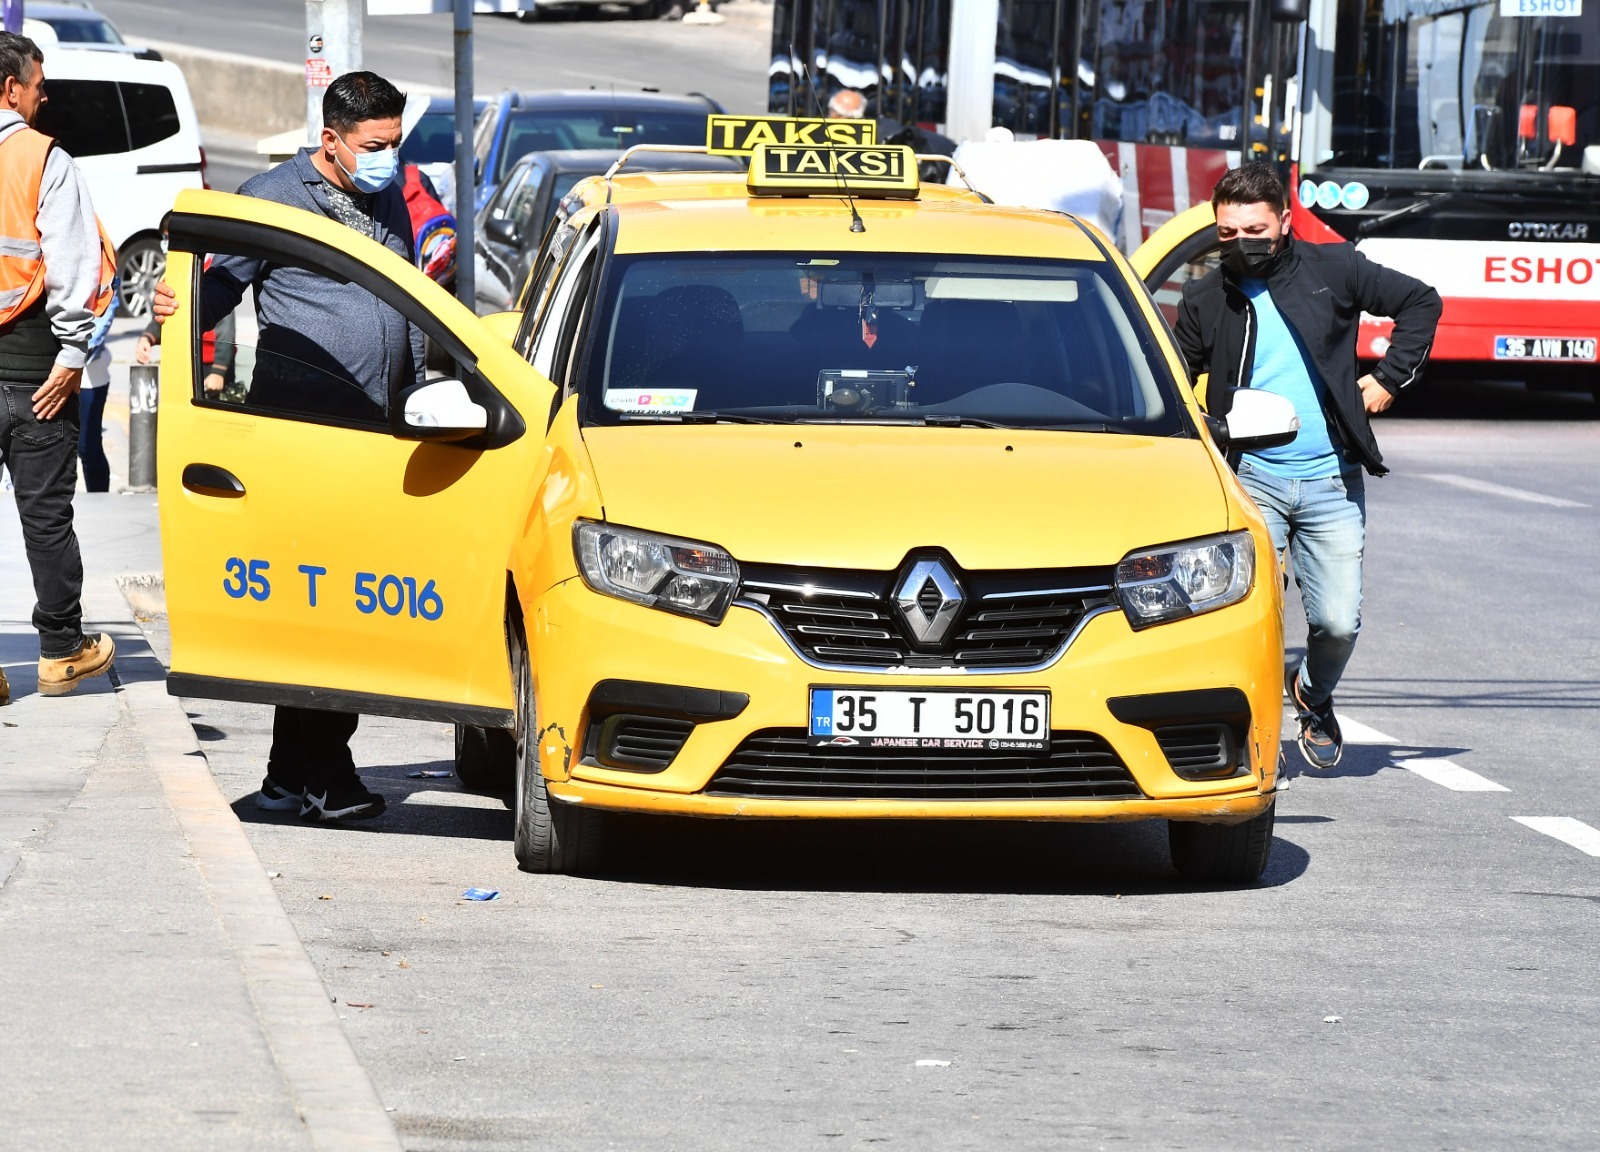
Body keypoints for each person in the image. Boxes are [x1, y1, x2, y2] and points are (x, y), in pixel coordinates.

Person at [152, 71, 423, 819]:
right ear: (330, 140)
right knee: (328, 621)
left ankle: (288, 776)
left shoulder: (386, 194)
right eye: (375, 146)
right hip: (307, 442)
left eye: (395, 144)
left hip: (380, 439)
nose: (388, 159)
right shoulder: (275, 199)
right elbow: (212, 287)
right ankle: (325, 776)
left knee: (346, 622)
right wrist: (170, 306)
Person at [1174, 163, 1441, 770]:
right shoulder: (1205, 299)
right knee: (1247, 619)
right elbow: (1173, 382)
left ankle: (1313, 696)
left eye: (1255, 230)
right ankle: (1249, 743)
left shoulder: (1334, 270)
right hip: (1248, 484)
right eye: (1227, 232)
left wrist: (1388, 380)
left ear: (1286, 224)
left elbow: (1421, 302)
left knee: (1338, 623)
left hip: (1330, 480)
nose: (1242, 243)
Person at [0, 31, 117, 705]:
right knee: (45, 517)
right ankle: (61, 651)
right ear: (11, 88)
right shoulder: (43, 159)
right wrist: (74, 356)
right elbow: (73, 266)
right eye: (38, 83)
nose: (45, 95)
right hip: (37, 371)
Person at [77, 271, 116, 492]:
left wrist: (74, 352)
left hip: (89, 370)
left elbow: (108, 307)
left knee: (87, 447)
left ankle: (99, 499)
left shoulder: (100, 255)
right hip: (49, 364)